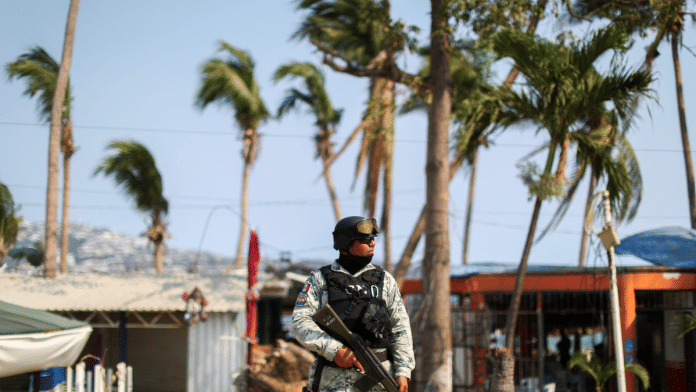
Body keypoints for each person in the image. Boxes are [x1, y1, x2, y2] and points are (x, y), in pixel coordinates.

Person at [291, 216, 415, 392]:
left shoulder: (385, 280)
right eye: (366, 240)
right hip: (333, 381)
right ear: (346, 245)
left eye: (373, 239)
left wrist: (402, 371)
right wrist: (335, 350)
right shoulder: (320, 279)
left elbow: (400, 329)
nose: (372, 243)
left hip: (381, 378)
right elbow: (299, 322)